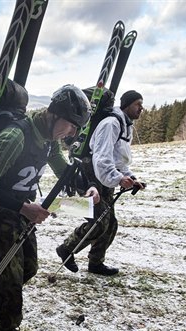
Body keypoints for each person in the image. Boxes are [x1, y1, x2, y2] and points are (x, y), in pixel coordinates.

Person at [0, 84, 98, 331]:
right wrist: (22, 207)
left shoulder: (48, 140)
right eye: (71, 125)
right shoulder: (16, 136)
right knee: (10, 277)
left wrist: (86, 188)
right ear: (54, 114)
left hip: (21, 212)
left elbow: (64, 170)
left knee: (28, 268)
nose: (72, 133)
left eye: (77, 128)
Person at [56, 89, 146, 276]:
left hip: (105, 177)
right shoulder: (111, 124)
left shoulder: (124, 124)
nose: (141, 108)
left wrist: (131, 177)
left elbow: (118, 159)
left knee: (110, 223)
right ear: (127, 104)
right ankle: (66, 248)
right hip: (92, 176)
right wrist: (118, 178)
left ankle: (96, 263)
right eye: (138, 104)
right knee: (100, 221)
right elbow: (101, 158)